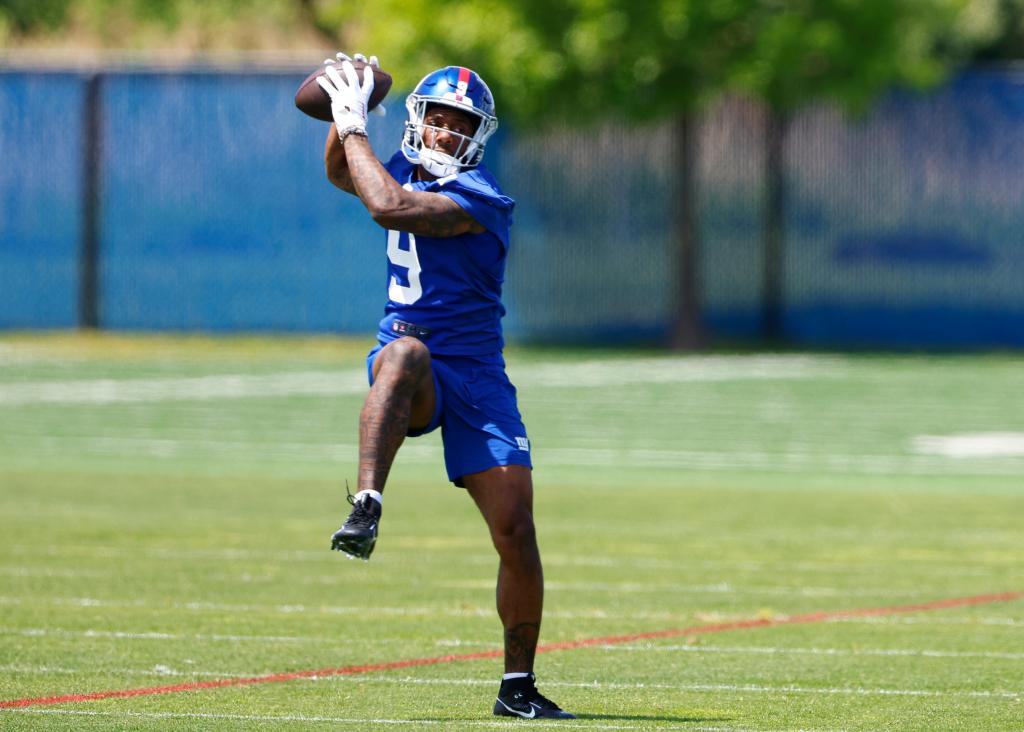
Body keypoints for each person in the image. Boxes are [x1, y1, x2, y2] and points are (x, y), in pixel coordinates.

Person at [315, 53, 575, 721]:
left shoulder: (482, 196)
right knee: (402, 351)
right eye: (438, 119)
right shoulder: (396, 162)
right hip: (415, 366)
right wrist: (349, 101)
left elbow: (385, 204)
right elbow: (341, 170)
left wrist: (352, 120)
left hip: (478, 372)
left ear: (480, 133)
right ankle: (367, 502)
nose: (448, 133)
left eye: (462, 123)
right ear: (418, 121)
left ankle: (517, 686)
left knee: (516, 528)